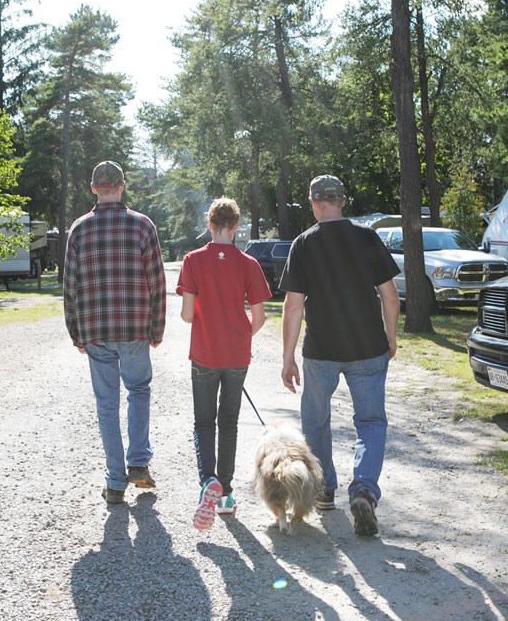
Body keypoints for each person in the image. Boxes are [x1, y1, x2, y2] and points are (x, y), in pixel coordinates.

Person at [279, 174, 400, 536]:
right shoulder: (367, 237)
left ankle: (325, 489)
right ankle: (363, 489)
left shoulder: (303, 244)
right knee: (371, 421)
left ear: (314, 203)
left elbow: (293, 306)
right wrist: (390, 338)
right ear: (343, 201)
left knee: (316, 420)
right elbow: (390, 297)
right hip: (368, 347)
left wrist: (287, 358)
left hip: (321, 351)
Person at [63, 160, 167, 506]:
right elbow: (156, 281)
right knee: (138, 390)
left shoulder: (79, 229)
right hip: (134, 327)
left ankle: (114, 480)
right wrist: (157, 327)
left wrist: (76, 333)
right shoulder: (142, 225)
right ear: (122, 185)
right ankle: (137, 463)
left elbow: (71, 286)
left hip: (96, 329)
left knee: (106, 405)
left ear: (94, 188)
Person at [177, 197, 271, 530]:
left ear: (209, 224)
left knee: (204, 423)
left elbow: (187, 315)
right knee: (228, 422)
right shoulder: (248, 264)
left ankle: (208, 483)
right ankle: (226, 495)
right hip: (236, 355)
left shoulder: (192, 260)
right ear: (235, 227)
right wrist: (240, 335)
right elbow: (258, 317)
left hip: (204, 353)